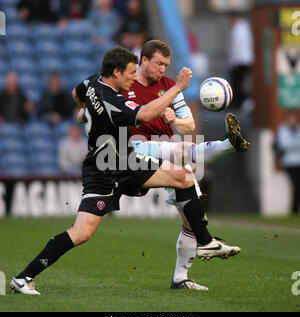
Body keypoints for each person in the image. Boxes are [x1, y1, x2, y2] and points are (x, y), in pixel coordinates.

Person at [10, 46, 240, 295]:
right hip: (105, 170)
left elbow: (77, 95)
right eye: (130, 73)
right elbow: (146, 114)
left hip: (128, 161)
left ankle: (204, 242)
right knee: (82, 232)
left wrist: (85, 114)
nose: (133, 78)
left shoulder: (92, 82)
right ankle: (23, 277)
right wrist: (177, 88)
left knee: (183, 176)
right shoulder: (113, 102)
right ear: (116, 71)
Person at [78, 41, 248, 290]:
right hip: (133, 150)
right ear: (143, 61)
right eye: (158, 63)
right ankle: (227, 145)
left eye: (166, 65)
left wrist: (175, 117)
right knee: (181, 151)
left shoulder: (169, 87)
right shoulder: (125, 82)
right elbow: (98, 103)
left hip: (164, 150)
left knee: (192, 214)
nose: (162, 69)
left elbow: (189, 125)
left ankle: (181, 277)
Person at [228, 12, 254, 111]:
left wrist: (232, 61)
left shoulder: (239, 29)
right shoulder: (244, 27)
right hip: (245, 60)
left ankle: (244, 103)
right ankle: (241, 103)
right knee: (239, 84)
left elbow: (237, 47)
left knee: (238, 84)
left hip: (240, 61)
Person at [277, 111, 300, 214]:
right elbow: (284, 144)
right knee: (296, 185)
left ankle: (295, 210)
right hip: (289, 163)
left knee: (298, 186)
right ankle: (294, 210)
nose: (292, 121)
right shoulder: (283, 129)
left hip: (298, 162)